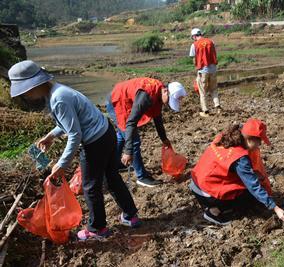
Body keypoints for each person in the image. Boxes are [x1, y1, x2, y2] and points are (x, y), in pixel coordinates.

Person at [8, 60, 140, 241]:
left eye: (26, 91)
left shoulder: (58, 99)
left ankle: (97, 229)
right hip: (106, 132)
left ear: (36, 84)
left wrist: (62, 164)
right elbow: (70, 122)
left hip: (95, 142)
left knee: (90, 186)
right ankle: (131, 216)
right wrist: (51, 135)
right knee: (112, 176)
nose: (27, 96)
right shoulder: (56, 91)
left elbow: (75, 134)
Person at [190, 119, 284, 225]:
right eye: (259, 141)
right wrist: (275, 208)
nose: (259, 144)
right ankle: (213, 212)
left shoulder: (224, 138)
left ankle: (218, 205)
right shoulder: (240, 157)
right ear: (250, 139)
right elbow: (253, 186)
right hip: (207, 194)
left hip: (196, 185)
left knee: (248, 183)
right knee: (248, 195)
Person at [106, 77, 187, 187]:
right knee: (134, 141)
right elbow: (130, 123)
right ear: (165, 91)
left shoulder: (158, 92)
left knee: (122, 135)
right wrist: (128, 151)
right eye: (169, 101)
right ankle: (141, 177)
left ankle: (115, 164)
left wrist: (164, 139)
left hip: (124, 97)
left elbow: (157, 118)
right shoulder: (146, 96)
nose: (168, 105)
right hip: (117, 101)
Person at [189, 28, 220, 118]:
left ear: (194, 36)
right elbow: (214, 54)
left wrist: (197, 68)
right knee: (214, 89)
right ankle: (218, 106)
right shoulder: (211, 42)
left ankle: (205, 111)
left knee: (202, 91)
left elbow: (194, 60)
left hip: (203, 70)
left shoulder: (194, 45)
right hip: (213, 69)